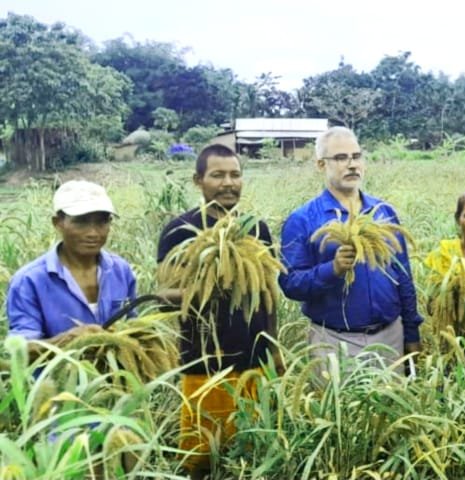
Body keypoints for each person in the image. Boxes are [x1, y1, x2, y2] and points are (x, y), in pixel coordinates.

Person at [155, 144, 279, 479]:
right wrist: (208, 285)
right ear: (198, 180)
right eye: (218, 175)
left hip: (254, 362)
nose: (228, 182)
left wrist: (274, 349)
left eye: (235, 174)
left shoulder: (256, 228)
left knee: (253, 455)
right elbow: (163, 295)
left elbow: (269, 293)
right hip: (203, 362)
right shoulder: (179, 230)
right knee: (200, 458)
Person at [279, 126, 422, 369]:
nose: (352, 164)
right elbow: (291, 284)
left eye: (356, 156)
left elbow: (403, 276)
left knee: (392, 406)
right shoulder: (302, 219)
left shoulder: (383, 213)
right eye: (341, 158)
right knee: (336, 407)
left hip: (390, 338)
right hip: (332, 342)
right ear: (321, 165)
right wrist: (332, 269)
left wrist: (411, 333)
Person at [6, 180, 136, 357]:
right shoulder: (29, 280)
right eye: (81, 222)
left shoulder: (121, 271)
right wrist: (67, 340)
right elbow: (20, 349)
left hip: (117, 382)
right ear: (58, 223)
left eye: (102, 222)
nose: (93, 233)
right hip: (57, 383)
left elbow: (133, 326)